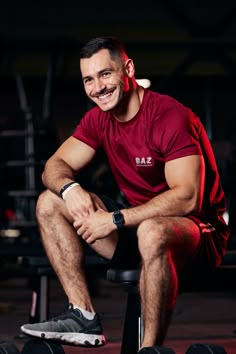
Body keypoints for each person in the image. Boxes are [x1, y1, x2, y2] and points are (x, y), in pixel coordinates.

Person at [20, 36, 230, 351]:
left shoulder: (170, 116)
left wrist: (115, 219)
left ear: (127, 68)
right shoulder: (98, 119)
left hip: (198, 233)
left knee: (152, 230)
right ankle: (83, 315)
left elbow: (188, 197)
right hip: (135, 227)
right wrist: (71, 188)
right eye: (88, 79)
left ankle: (148, 349)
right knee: (50, 201)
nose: (98, 87)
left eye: (105, 74)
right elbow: (54, 165)